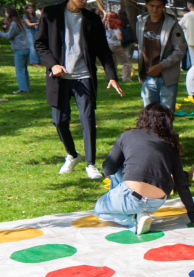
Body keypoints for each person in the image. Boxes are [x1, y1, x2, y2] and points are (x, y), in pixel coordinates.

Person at [35, 0, 123, 180]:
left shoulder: (92, 19)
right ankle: (72, 155)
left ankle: (91, 164)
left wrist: (111, 76)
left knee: (87, 119)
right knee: (59, 121)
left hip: (84, 77)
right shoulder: (50, 14)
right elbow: (40, 44)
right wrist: (53, 65)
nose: (84, 0)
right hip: (60, 78)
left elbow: (103, 50)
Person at [97, 103, 194, 235]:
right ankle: (139, 213)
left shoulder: (127, 136)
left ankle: (132, 220)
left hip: (131, 195)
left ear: (142, 118)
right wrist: (193, 216)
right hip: (156, 201)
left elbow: (108, 170)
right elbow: (181, 183)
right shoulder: (170, 144)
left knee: (99, 210)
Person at [136, 0, 185, 109]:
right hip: (148, 77)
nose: (154, 9)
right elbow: (141, 48)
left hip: (167, 77)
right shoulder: (141, 22)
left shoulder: (172, 24)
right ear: (146, 4)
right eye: (151, 6)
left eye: (158, 6)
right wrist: (141, 70)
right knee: (149, 116)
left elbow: (180, 50)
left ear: (164, 6)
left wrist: (161, 65)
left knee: (166, 116)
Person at [1, 8, 31, 94]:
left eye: (6, 13)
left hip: (19, 49)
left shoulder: (14, 24)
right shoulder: (20, 22)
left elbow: (8, 36)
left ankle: (23, 89)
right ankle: (27, 88)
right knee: (24, 70)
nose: (5, 14)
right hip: (25, 48)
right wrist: (6, 23)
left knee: (20, 70)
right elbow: (13, 32)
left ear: (10, 14)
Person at [103, 12, 132, 83]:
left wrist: (105, 15)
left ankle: (113, 78)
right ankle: (126, 78)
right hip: (115, 45)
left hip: (108, 45)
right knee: (126, 62)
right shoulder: (115, 27)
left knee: (113, 62)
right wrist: (121, 36)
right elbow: (119, 38)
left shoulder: (107, 24)